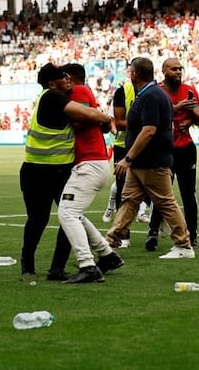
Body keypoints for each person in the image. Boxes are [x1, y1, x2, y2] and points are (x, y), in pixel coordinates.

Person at [20, 63, 113, 279]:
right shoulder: (53, 96)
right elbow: (88, 114)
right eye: (64, 77)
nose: (68, 79)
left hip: (53, 170)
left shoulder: (54, 97)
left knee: (62, 216)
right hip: (41, 171)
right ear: (52, 84)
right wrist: (106, 120)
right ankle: (36, 266)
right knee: (45, 218)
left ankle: (51, 268)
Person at [106, 57, 195, 259]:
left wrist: (127, 158)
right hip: (143, 162)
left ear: (134, 74)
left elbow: (148, 130)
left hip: (152, 161)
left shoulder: (150, 96)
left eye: (130, 71)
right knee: (129, 201)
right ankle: (112, 240)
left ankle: (184, 245)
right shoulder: (152, 94)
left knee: (165, 202)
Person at [57, 63, 125, 283]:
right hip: (92, 161)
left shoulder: (78, 92)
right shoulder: (84, 93)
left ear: (68, 77)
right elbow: (100, 121)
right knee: (73, 212)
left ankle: (87, 265)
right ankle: (107, 255)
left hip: (90, 163)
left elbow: (85, 119)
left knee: (67, 213)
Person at [145, 57, 199, 250]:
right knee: (162, 194)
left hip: (185, 148)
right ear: (164, 71)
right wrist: (176, 108)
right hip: (163, 149)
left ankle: (192, 235)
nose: (178, 72)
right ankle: (152, 232)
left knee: (188, 194)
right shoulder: (157, 92)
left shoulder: (190, 90)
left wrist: (192, 117)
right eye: (174, 69)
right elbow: (155, 119)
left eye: (180, 68)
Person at [102, 76, 151, 232]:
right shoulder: (122, 92)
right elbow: (115, 121)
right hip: (123, 146)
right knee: (121, 187)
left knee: (152, 185)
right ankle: (123, 233)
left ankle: (152, 224)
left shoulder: (153, 92)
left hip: (147, 146)